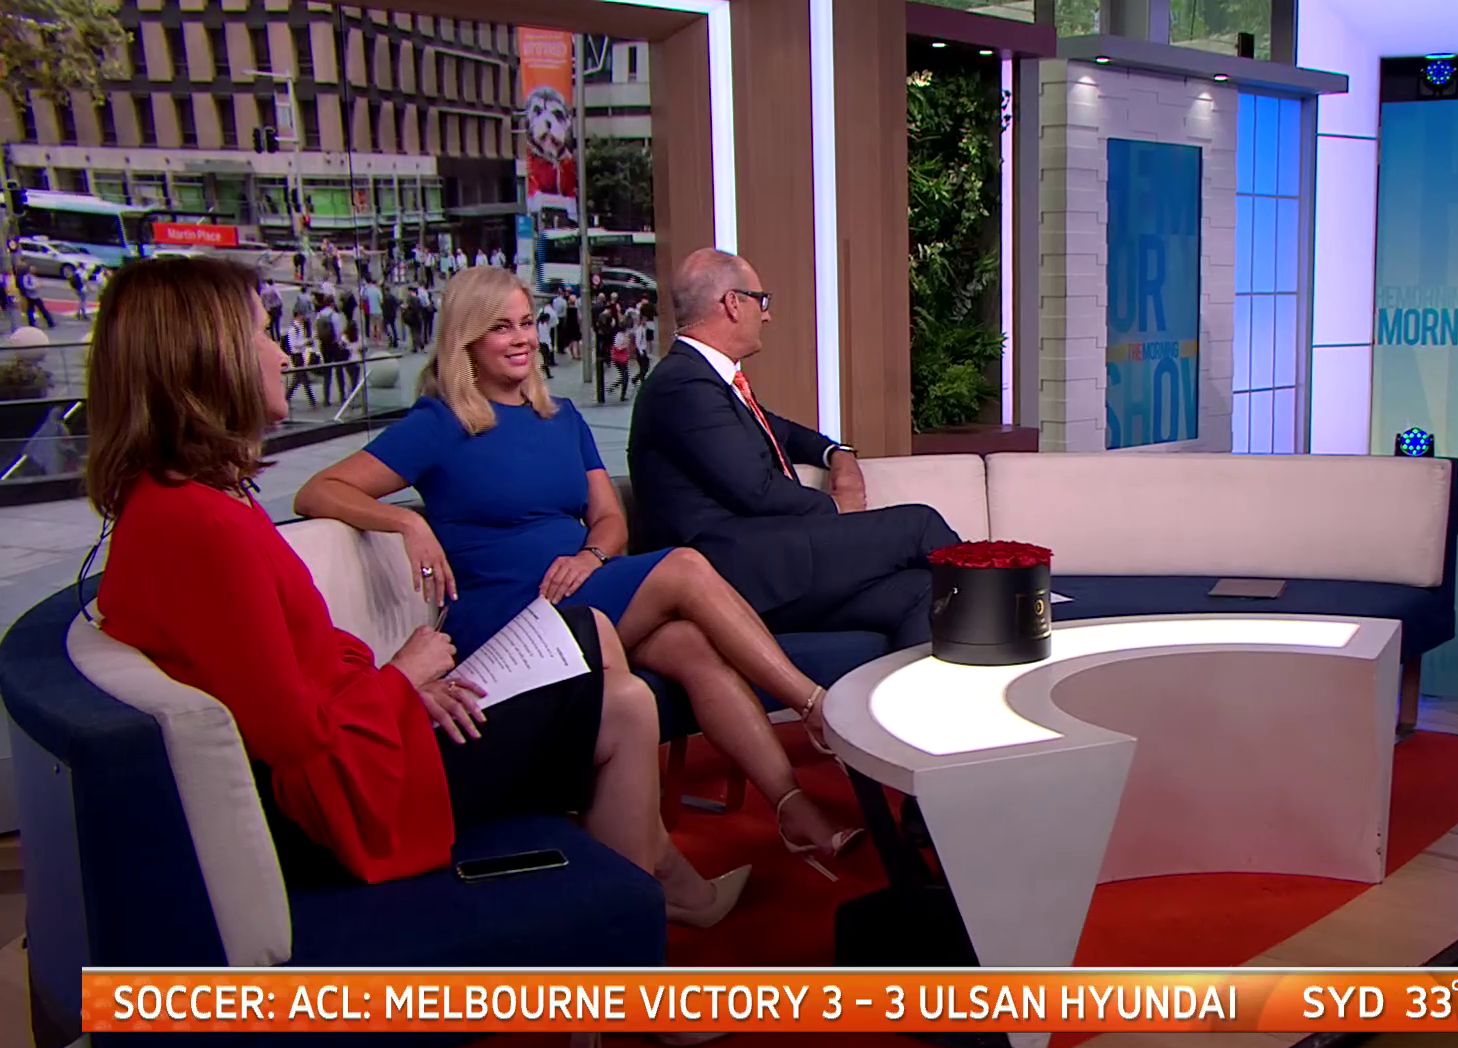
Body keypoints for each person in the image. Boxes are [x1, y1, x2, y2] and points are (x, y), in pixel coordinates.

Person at [84, 257, 746, 923]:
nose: (284, 356)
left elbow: (306, 669)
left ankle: (640, 914)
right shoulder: (198, 524)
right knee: (609, 671)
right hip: (351, 794)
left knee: (621, 692)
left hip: (372, 729)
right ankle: (647, 910)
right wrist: (401, 677)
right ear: (210, 360)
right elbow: (295, 737)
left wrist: (402, 683)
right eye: (263, 335)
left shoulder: (194, 503)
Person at [295, 267, 862, 873]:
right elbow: (318, 491)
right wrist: (408, 523)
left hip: (583, 593)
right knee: (685, 567)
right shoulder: (440, 423)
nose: (521, 338)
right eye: (501, 328)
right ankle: (814, 706)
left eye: (526, 323)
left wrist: (590, 555)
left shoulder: (561, 417)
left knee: (692, 647)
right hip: (509, 617)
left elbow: (609, 521)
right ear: (467, 339)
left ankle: (794, 808)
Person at [628, 248, 960, 651]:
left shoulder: (711, 382)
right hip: (735, 571)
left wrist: (837, 453)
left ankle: (916, 693)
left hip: (768, 561)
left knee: (920, 589)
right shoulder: (683, 384)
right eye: (761, 301)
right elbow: (755, 489)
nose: (766, 316)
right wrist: (836, 508)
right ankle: (1013, 608)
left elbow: (781, 431)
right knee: (919, 525)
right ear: (733, 304)